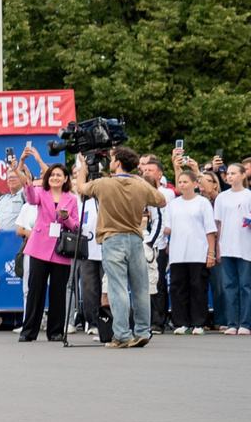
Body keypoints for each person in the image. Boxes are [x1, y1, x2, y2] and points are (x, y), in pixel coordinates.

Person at [75, 145, 171, 348]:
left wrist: (83, 166)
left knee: (117, 288)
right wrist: (140, 180)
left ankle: (122, 334)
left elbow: (81, 188)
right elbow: (162, 201)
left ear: (117, 163)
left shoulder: (104, 184)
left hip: (112, 238)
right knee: (140, 288)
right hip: (136, 239)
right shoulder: (139, 185)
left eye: (112, 160)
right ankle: (142, 331)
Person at [17, 162, 79, 343]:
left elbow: (76, 226)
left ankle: (55, 331)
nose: (55, 178)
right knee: (35, 290)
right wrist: (28, 182)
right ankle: (29, 331)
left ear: (66, 179)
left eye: (59, 175)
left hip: (61, 249)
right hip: (39, 247)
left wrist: (66, 217)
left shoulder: (72, 199)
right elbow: (31, 199)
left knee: (58, 292)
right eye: (52, 175)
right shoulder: (41, 192)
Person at [165, 167, 217, 334]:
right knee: (178, 288)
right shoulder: (173, 204)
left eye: (185, 182)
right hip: (178, 254)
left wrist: (211, 253)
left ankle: (199, 323)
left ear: (195, 184)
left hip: (198, 252)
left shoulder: (203, 203)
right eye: (180, 182)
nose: (182, 185)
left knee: (198, 288)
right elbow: (168, 228)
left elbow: (210, 230)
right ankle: (182, 323)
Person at [216, 162, 251, 335]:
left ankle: (245, 323)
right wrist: (218, 248)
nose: (229, 176)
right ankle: (232, 323)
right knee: (229, 286)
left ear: (243, 175)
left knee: (245, 286)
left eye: (233, 173)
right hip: (227, 246)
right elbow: (219, 224)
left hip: (245, 247)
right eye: (228, 173)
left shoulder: (248, 196)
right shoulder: (222, 197)